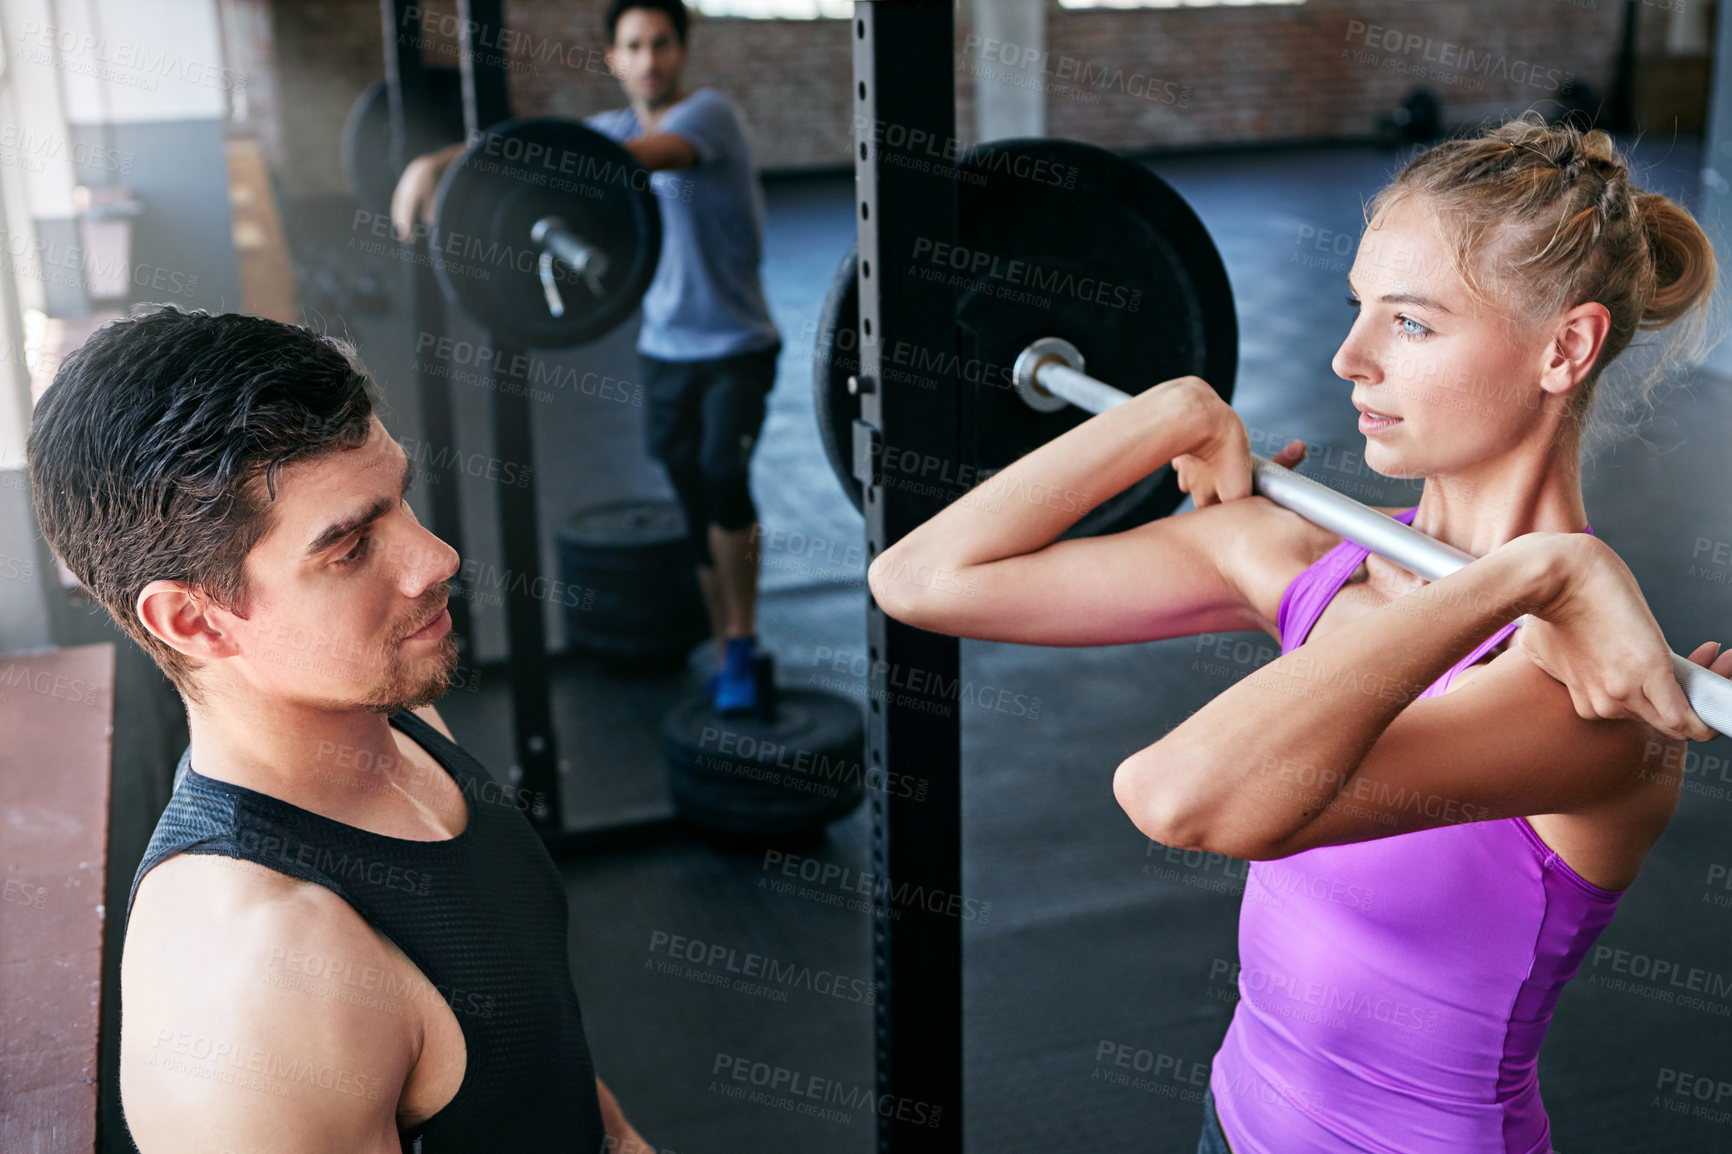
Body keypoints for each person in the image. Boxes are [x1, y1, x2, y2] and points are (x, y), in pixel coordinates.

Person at [867, 113, 1732, 1153]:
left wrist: (1536, 572)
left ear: (1565, 347)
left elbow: (1178, 793)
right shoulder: (1313, 562)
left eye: (1409, 324)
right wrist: (1166, 411)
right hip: (1230, 1123)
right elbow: (917, 577)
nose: (1348, 357)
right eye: (1358, 308)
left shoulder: (1588, 707)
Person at [28, 308, 653, 1153]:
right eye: (351, 547)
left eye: (401, 501)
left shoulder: (397, 720)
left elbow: (544, 1057)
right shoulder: (262, 983)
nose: (436, 558)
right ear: (194, 621)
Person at [392, 0, 780, 715]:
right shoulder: (611, 131)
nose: (650, 59)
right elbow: (527, 149)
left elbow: (612, 167)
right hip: (664, 349)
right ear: (614, 58)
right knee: (690, 491)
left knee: (724, 475)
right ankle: (721, 629)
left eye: (662, 43)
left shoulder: (708, 116)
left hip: (736, 344)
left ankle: (742, 643)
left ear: (681, 51)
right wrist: (435, 163)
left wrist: (508, 171)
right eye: (634, 45)